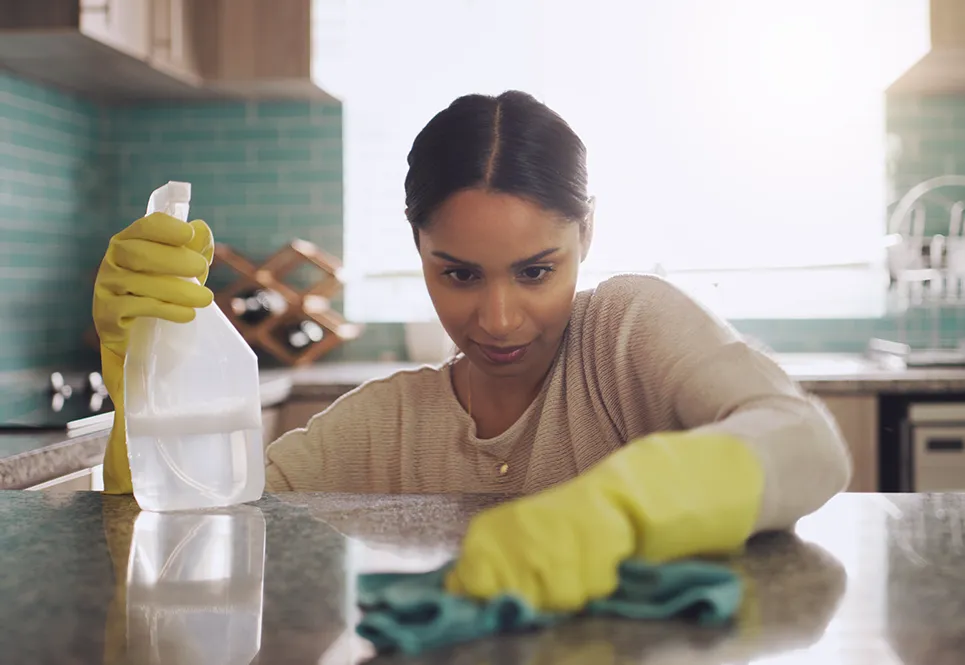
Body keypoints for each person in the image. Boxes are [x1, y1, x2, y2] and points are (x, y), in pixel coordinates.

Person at [93, 90, 852, 612]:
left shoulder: (627, 332)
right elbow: (189, 545)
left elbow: (806, 442)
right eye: (456, 273)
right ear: (418, 248)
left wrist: (623, 505)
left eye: (536, 270)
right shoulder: (382, 425)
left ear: (584, 235)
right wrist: (150, 380)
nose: (496, 319)